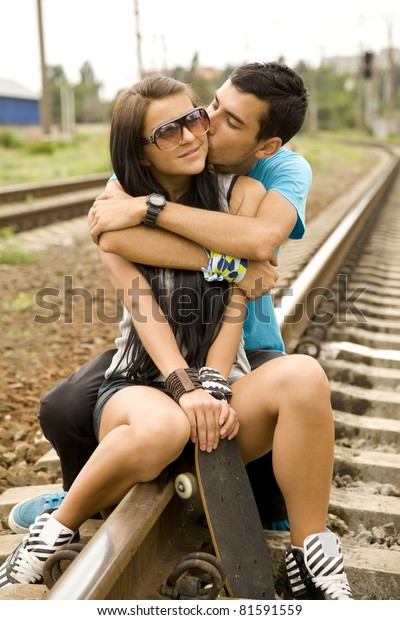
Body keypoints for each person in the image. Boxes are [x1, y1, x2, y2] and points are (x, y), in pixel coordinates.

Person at [1, 76, 353, 600]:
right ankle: (52, 532)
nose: (193, 132)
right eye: (168, 130)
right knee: (160, 427)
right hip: (145, 378)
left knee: (303, 374)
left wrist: (211, 384)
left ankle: (315, 561)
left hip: (222, 375)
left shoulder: (247, 193)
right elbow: (144, 312)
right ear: (139, 151)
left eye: (193, 117)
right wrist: (184, 385)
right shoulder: (118, 200)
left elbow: (238, 299)